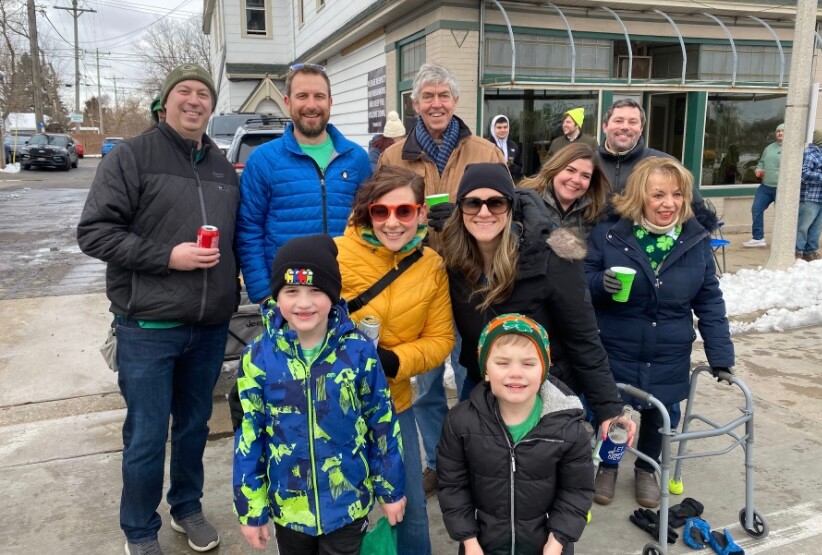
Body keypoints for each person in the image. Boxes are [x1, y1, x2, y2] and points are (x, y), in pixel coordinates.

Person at [77, 63, 237, 555]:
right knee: (146, 436)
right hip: (147, 327)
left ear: (212, 106)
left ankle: (186, 507)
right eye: (184, 91)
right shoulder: (132, 157)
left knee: (193, 428)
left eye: (203, 94)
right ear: (164, 102)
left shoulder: (220, 166)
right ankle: (140, 530)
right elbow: (94, 233)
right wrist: (168, 257)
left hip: (208, 328)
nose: (194, 100)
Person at [233, 234, 407, 554]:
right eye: (291, 291)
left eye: (316, 290)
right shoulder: (258, 357)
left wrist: (390, 490)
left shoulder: (358, 352)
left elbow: (382, 424)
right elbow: (249, 435)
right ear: (277, 297)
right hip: (289, 509)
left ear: (333, 294)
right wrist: (251, 510)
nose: (304, 303)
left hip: (347, 506)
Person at [440, 162, 633, 447]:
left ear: (511, 206)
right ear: (460, 209)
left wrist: (608, 408)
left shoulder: (550, 258)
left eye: (496, 202)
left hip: (544, 390)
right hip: (483, 386)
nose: (484, 212)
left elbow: (583, 338)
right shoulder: (455, 262)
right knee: (479, 465)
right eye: (473, 203)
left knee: (540, 471)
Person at [379, 62, 505, 496]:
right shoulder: (394, 157)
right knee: (426, 384)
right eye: (427, 97)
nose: (436, 104)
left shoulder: (484, 152)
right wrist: (411, 223)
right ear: (414, 104)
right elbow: (382, 216)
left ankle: (473, 461)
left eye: (443, 96)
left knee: (475, 378)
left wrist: (461, 218)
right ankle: (436, 461)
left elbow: (507, 211)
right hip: (417, 285)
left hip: (472, 282)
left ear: (455, 101)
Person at [584, 157, 734, 508]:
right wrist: (599, 283)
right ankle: (608, 465)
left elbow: (709, 300)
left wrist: (721, 355)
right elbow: (582, 279)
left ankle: (646, 469)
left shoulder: (695, 238)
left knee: (659, 414)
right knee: (614, 411)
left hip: (669, 349)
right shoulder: (610, 233)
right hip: (617, 345)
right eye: (658, 195)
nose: (669, 203)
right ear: (640, 196)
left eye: (677, 194)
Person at [335, 166, 455, 555]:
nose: (392, 222)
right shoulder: (335, 253)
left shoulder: (431, 264)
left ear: (421, 213)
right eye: (380, 211)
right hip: (332, 404)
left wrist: (394, 361)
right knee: (337, 507)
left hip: (393, 401)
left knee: (409, 509)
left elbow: (440, 339)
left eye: (404, 211)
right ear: (366, 212)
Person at [437, 314, 594, 555]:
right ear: (485, 370)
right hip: (481, 547)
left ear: (543, 370)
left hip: (548, 548)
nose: (516, 373)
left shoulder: (568, 428)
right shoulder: (460, 423)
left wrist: (557, 541)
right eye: (502, 363)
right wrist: (469, 540)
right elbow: (452, 486)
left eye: (528, 364)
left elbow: (576, 491)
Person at [236, 62, 372, 304]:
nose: (311, 105)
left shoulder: (356, 158)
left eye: (319, 96)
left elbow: (369, 225)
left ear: (330, 102)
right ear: (287, 102)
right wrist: (264, 294)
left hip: (349, 292)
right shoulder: (264, 160)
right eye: (302, 96)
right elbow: (249, 230)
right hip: (288, 296)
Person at [519, 142, 611, 240]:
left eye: (585, 176)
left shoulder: (596, 214)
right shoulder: (525, 201)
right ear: (556, 168)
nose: (576, 180)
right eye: (570, 170)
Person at [597, 99, 673, 195]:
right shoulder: (588, 161)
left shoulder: (665, 163)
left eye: (632, 122)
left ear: (641, 129)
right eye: (618, 121)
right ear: (605, 127)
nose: (625, 127)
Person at [744, 123, 784, 248]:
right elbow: (761, 162)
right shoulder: (769, 148)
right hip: (765, 186)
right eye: (778, 131)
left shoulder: (790, 149)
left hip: (781, 188)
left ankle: (783, 241)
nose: (780, 133)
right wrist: (758, 169)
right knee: (756, 209)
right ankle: (758, 238)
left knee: (782, 214)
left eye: (783, 131)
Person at [796, 130, 822, 261]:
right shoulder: (810, 154)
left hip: (820, 198)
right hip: (809, 198)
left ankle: (810, 252)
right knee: (803, 227)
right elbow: (803, 175)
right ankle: (797, 251)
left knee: (816, 228)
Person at [487, 114, 523, 179]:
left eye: (505, 127)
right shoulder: (487, 145)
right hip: (491, 181)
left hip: (509, 181)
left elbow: (519, 166)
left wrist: (513, 167)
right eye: (499, 127)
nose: (503, 130)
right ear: (493, 128)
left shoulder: (513, 145)